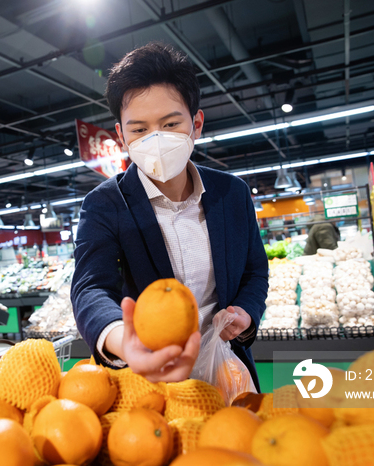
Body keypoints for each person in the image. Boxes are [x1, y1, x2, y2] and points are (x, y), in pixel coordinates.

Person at [71, 43, 269, 389]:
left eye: (170, 123)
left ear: (196, 123)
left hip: (228, 369)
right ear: (121, 136)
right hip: (148, 382)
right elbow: (90, 288)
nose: (156, 139)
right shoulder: (105, 204)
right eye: (139, 129)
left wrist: (246, 311)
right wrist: (123, 339)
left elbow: (254, 269)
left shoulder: (232, 194)